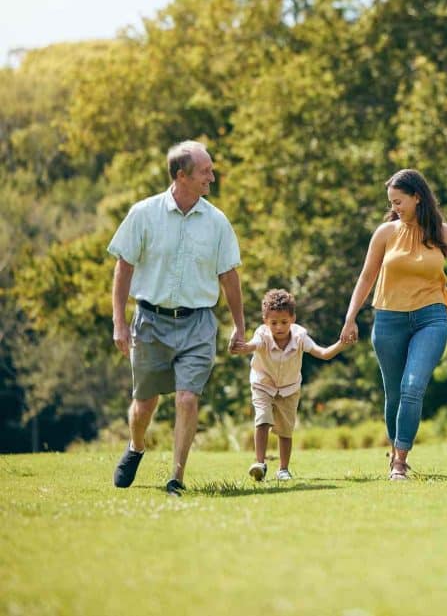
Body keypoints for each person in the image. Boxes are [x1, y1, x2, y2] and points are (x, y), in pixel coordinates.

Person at [340, 169, 447, 481]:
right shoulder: (385, 234)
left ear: (417, 197)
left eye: (400, 201)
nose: (395, 208)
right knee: (393, 393)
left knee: (412, 386)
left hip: (430, 317)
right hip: (388, 319)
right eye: (391, 203)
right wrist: (350, 316)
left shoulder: (445, 235)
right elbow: (366, 277)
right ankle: (395, 451)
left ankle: (400, 462)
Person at [109, 140, 245, 496]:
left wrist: (239, 326)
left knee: (187, 397)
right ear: (181, 175)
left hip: (198, 323)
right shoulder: (143, 214)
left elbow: (229, 276)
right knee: (144, 404)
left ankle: (177, 477)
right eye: (205, 171)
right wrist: (119, 323)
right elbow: (123, 268)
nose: (212, 178)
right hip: (150, 321)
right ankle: (136, 446)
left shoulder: (217, 222)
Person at [230, 289, 348, 482]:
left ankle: (283, 469)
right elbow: (251, 346)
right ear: (265, 321)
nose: (279, 327)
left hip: (289, 389)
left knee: (285, 430)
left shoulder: (300, 337)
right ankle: (260, 463)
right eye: (273, 323)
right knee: (263, 419)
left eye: (284, 322)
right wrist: (240, 347)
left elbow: (323, 353)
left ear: (292, 318)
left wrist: (341, 344)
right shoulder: (262, 335)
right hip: (263, 384)